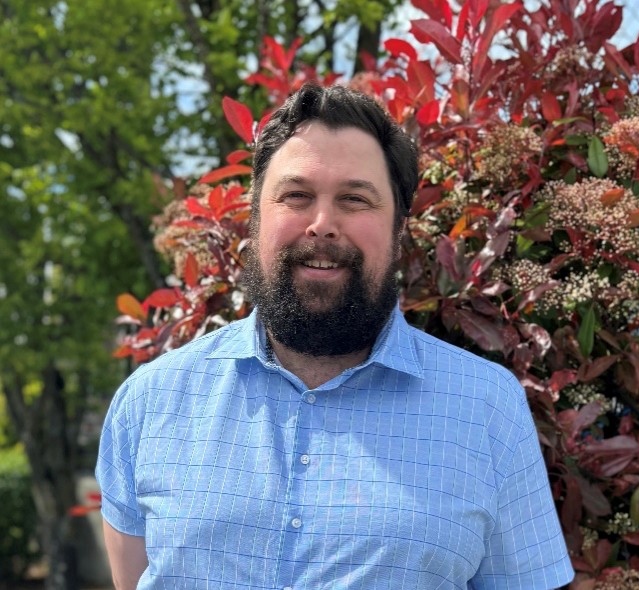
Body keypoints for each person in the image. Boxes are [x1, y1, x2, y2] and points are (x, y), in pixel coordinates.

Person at [96, 83, 574, 590]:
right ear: (255, 218)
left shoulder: (487, 408)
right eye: (296, 196)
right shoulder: (151, 401)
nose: (322, 224)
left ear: (400, 229)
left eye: (354, 199)